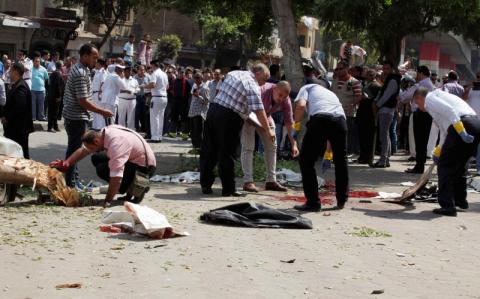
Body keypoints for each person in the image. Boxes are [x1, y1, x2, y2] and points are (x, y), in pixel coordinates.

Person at [200, 63, 275, 197]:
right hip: (228, 117)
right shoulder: (252, 85)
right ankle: (229, 189)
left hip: (213, 110)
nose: (265, 82)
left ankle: (206, 184)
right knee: (227, 153)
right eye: (265, 78)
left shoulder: (234, 74)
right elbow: (259, 110)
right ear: (257, 73)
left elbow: (222, 92)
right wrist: (268, 129)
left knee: (209, 149)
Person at [50, 125, 156, 207]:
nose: (90, 151)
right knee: (97, 157)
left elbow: (116, 177)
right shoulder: (105, 132)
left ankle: (138, 187)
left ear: (96, 141)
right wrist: (67, 163)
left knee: (103, 169)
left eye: (91, 148)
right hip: (136, 161)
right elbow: (83, 150)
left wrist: (107, 201)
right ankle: (129, 191)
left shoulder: (116, 144)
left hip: (145, 168)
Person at [413, 88, 479, 216]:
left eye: (416, 102)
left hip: (462, 125)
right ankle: (460, 201)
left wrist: (461, 130)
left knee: (445, 167)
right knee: (460, 166)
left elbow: (451, 112)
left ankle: (448, 206)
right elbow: (445, 131)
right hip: (475, 124)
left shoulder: (430, 98)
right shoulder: (440, 99)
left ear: (419, 97)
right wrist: (438, 151)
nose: (418, 105)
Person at [62, 43, 114, 188]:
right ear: (84, 56)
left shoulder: (83, 70)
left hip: (78, 116)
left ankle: (74, 181)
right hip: (76, 117)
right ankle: (70, 183)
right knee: (74, 150)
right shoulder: (79, 72)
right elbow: (83, 101)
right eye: (94, 57)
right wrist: (102, 111)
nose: (95, 61)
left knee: (77, 150)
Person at [292, 84, 349, 212]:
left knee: (306, 161)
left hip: (320, 120)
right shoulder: (330, 94)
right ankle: (341, 200)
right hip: (340, 121)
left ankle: (313, 203)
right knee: (341, 161)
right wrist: (328, 153)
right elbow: (332, 124)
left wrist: (296, 126)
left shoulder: (306, 88)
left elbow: (300, 106)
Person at [241, 81, 299, 193]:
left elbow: (289, 122)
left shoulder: (285, 100)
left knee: (272, 146)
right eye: (280, 95)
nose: (281, 99)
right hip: (248, 113)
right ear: (274, 88)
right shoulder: (262, 91)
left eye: (284, 97)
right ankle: (248, 182)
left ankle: (271, 181)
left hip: (265, 115)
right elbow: (256, 112)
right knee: (248, 146)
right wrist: (268, 129)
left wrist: (294, 144)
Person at [399, 66, 435, 174]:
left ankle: (419, 166)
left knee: (419, 140)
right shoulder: (429, 84)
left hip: (421, 114)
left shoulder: (420, 85)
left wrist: (402, 91)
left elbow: (405, 97)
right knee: (422, 141)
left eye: (417, 73)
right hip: (427, 114)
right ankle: (420, 165)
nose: (416, 76)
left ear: (421, 73)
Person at [371, 61, 401, 168]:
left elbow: (386, 96)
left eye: (387, 68)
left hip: (386, 110)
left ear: (392, 69)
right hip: (386, 110)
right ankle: (385, 159)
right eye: (384, 68)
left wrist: (377, 105)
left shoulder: (392, 80)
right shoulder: (390, 79)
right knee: (385, 135)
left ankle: (383, 160)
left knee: (384, 136)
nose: (385, 71)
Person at [1, 62, 34, 158]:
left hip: (18, 128)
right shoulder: (17, 84)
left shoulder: (21, 86)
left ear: (15, 72)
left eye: (11, 70)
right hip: (16, 127)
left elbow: (19, 107)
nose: (9, 73)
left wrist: (6, 117)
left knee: (20, 153)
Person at [331, 60, 362, 155]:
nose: (338, 71)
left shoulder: (354, 82)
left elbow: (359, 96)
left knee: (345, 133)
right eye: (337, 69)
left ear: (346, 69)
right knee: (334, 134)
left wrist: (351, 105)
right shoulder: (335, 81)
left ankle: (344, 153)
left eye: (340, 69)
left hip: (347, 113)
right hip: (333, 112)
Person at [357, 68, 381, 164]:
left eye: (369, 74)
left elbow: (373, 100)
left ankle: (367, 157)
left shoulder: (376, 85)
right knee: (363, 137)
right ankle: (363, 156)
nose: (367, 76)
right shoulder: (368, 84)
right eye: (367, 74)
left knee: (368, 137)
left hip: (369, 114)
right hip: (363, 113)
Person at [143, 60, 168, 143]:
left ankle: (155, 137)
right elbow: (167, 86)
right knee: (161, 118)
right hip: (164, 97)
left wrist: (144, 86)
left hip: (157, 97)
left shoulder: (155, 73)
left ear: (153, 65)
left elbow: (152, 84)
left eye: (151, 66)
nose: (151, 68)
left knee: (154, 117)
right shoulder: (164, 74)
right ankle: (159, 136)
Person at [188, 72, 210, 153]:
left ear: (201, 78)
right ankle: (195, 147)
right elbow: (192, 95)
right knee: (193, 132)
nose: (196, 79)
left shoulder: (205, 88)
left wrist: (199, 96)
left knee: (198, 132)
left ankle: (199, 148)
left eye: (198, 78)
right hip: (193, 111)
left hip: (200, 113)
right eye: (195, 77)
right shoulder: (194, 85)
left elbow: (207, 102)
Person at [169, 68, 192, 138]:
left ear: (184, 74)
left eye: (183, 73)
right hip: (175, 101)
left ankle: (185, 134)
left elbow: (190, 92)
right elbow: (169, 89)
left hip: (183, 102)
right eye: (180, 72)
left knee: (184, 118)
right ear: (178, 73)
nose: (181, 74)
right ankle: (172, 132)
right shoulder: (174, 81)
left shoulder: (187, 82)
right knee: (173, 116)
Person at [117, 65, 139, 129]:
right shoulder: (120, 80)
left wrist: (135, 91)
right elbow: (117, 89)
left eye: (130, 71)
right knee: (121, 116)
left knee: (131, 117)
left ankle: (130, 130)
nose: (129, 72)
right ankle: (121, 129)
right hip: (122, 99)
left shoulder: (134, 80)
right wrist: (125, 91)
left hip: (132, 100)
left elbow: (138, 89)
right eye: (127, 71)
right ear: (124, 71)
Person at [47, 61, 65, 132]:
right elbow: (57, 86)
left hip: (52, 95)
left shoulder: (54, 73)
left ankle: (55, 126)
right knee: (53, 112)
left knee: (55, 112)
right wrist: (58, 96)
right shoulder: (57, 74)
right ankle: (50, 127)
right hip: (55, 97)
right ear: (60, 66)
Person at [31, 55, 49, 121]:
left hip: (41, 90)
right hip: (32, 89)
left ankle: (41, 117)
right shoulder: (30, 69)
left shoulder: (43, 69)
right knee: (33, 104)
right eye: (36, 61)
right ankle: (33, 117)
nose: (37, 62)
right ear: (33, 62)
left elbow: (47, 78)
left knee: (41, 104)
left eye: (38, 61)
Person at [91, 59, 108, 130]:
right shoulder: (97, 71)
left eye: (97, 63)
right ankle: (95, 126)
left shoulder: (103, 72)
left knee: (99, 109)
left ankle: (100, 127)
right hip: (94, 93)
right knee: (94, 110)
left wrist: (100, 93)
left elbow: (103, 82)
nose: (95, 64)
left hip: (98, 93)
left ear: (100, 64)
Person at [134, 64, 151, 133]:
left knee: (145, 113)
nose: (142, 71)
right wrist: (139, 87)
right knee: (137, 113)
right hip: (137, 97)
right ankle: (136, 128)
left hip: (146, 97)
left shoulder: (148, 77)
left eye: (143, 70)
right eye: (140, 70)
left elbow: (151, 86)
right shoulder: (134, 77)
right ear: (138, 70)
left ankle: (145, 129)